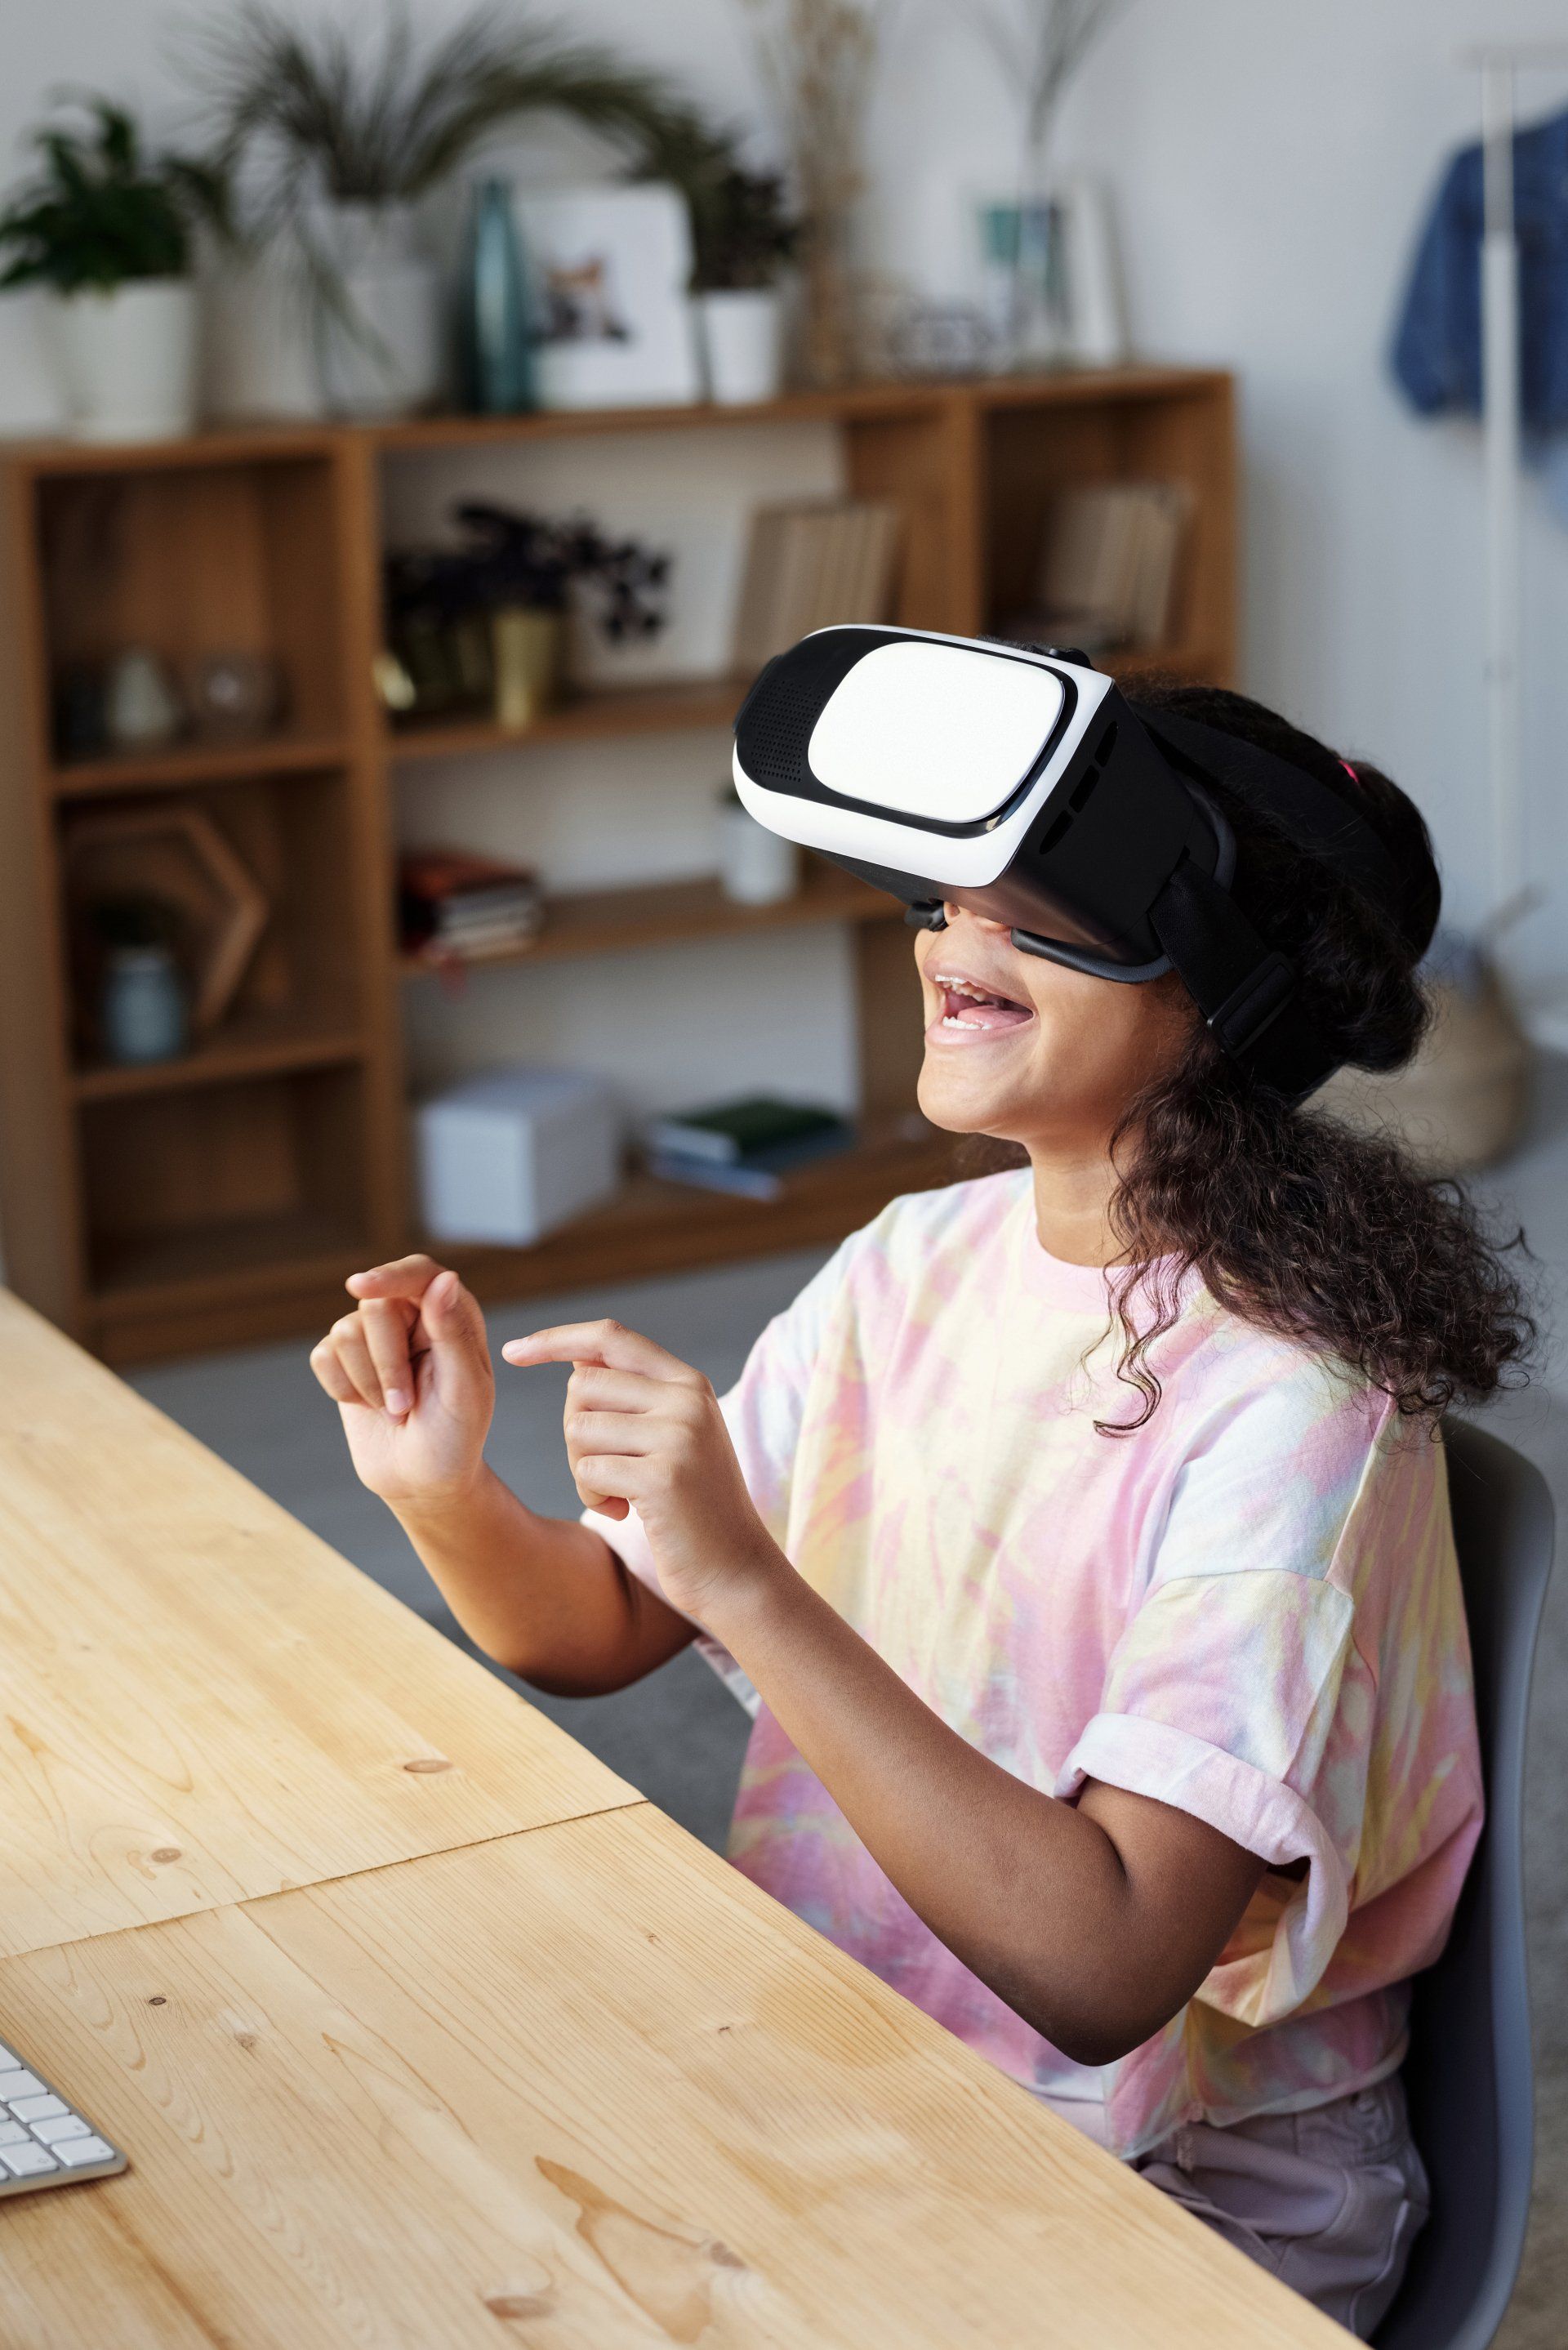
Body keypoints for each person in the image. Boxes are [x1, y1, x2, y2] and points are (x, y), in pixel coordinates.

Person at [311, 682, 1531, 2338]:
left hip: (1175, 2207)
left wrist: (751, 1578)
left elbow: (1103, 1969)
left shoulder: (1297, 1420)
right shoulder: (908, 1266)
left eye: (1049, 910)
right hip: (860, 2080)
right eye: (949, 893)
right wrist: (443, 1482)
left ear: (1226, 992)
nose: (953, 935)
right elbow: (597, 1624)